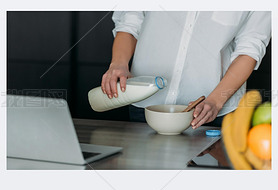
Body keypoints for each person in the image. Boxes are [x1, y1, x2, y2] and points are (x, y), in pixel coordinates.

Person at [101, 11, 271, 128]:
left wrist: (215, 101)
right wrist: (119, 63)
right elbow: (130, 21)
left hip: (212, 114)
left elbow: (249, 50)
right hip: (145, 103)